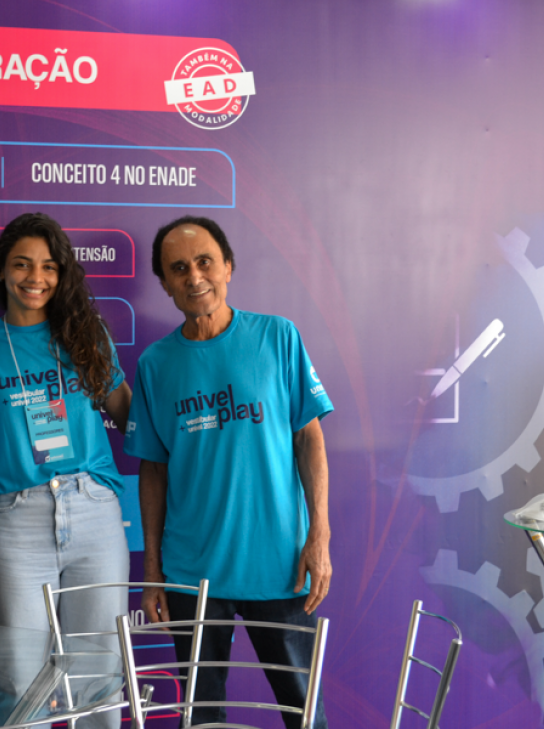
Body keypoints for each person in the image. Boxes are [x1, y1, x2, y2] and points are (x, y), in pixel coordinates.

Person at [125, 216, 334, 729]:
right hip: (192, 574)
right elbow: (153, 470)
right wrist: (153, 572)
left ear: (228, 267)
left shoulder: (278, 337)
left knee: (304, 713)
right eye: (178, 268)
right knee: (202, 718)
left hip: (280, 566)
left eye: (205, 262)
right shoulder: (154, 365)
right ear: (165, 284)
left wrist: (319, 535)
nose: (194, 276)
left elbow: (308, 438)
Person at [0, 213, 131, 725]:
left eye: (49, 266)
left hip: (93, 510)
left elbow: (128, 414)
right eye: (22, 264)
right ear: (1, 271)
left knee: (99, 670)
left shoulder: (86, 335)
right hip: (18, 519)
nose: (36, 277)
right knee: (19, 674)